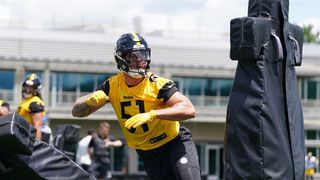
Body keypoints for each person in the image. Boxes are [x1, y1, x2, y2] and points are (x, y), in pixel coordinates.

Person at [72, 32, 201, 180]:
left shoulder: (157, 84)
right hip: (148, 153)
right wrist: (89, 101)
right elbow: (77, 112)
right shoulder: (112, 86)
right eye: (133, 57)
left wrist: (152, 114)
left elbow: (189, 109)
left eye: (143, 55)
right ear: (121, 59)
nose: (140, 61)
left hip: (174, 142)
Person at [16, 73, 45, 140]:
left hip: (28, 138)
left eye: (31, 87)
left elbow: (37, 126)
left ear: (36, 89)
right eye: (26, 86)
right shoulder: (25, 101)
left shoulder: (35, 102)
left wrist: (35, 146)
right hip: (21, 136)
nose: (27, 89)